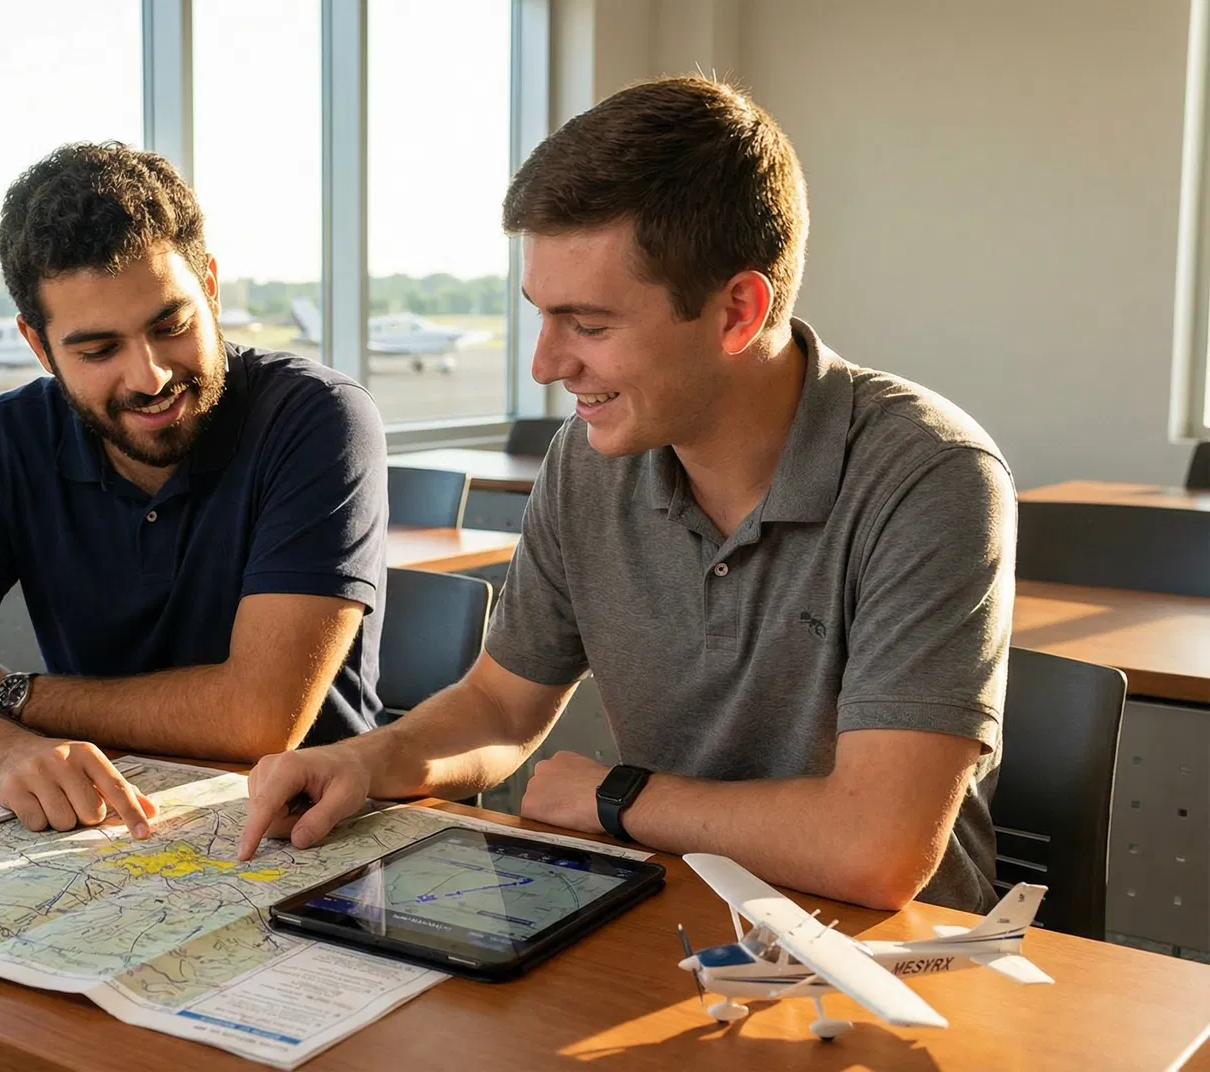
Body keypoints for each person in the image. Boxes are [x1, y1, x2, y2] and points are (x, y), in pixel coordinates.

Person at [237, 77, 1014, 913]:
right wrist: (364, 762)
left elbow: (875, 852)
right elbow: (502, 703)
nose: (546, 364)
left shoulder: (931, 474)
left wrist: (616, 798)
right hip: (673, 912)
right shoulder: (590, 458)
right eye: (540, 314)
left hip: (880, 961)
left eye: (591, 325)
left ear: (737, 312)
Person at [0, 142, 390, 841]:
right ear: (39, 349)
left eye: (172, 325)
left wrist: (12, 696)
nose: (150, 376)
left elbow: (255, 721)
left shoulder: (318, 419)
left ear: (211, 288)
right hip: (100, 832)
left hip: (295, 835)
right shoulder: (2, 439)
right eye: (98, 351)